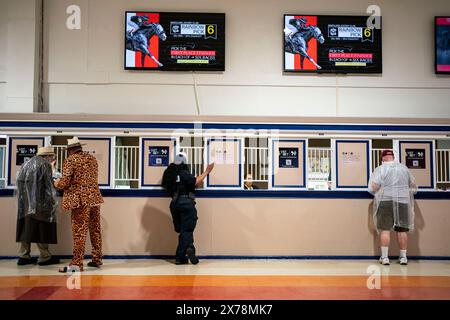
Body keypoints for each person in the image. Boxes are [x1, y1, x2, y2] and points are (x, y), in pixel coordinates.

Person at [54, 137, 104, 272]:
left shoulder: (70, 160)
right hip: (94, 198)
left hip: (80, 200)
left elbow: (64, 183)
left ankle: (76, 263)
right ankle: (97, 258)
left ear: (70, 150)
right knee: (95, 229)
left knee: (79, 232)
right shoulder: (92, 159)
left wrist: (56, 182)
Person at [162, 152, 214, 265]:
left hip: (174, 204)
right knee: (187, 229)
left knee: (182, 230)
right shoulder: (183, 172)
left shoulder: (169, 174)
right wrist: (207, 171)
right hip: (186, 202)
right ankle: (179, 257)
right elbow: (195, 181)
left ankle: (190, 248)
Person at [368, 149, 417, 266]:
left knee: (385, 230)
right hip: (403, 202)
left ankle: (385, 257)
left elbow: (373, 188)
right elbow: (414, 187)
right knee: (402, 230)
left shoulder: (381, 169)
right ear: (393, 157)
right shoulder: (404, 169)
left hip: (385, 201)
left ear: (383, 158)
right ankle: (403, 257)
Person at [15, 146, 60, 266]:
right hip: (41, 203)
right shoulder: (44, 165)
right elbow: (49, 185)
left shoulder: (26, 164)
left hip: (24, 203)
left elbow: (19, 183)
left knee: (26, 228)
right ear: (47, 156)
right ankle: (45, 256)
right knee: (42, 228)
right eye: (52, 156)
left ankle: (23, 255)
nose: (52, 159)